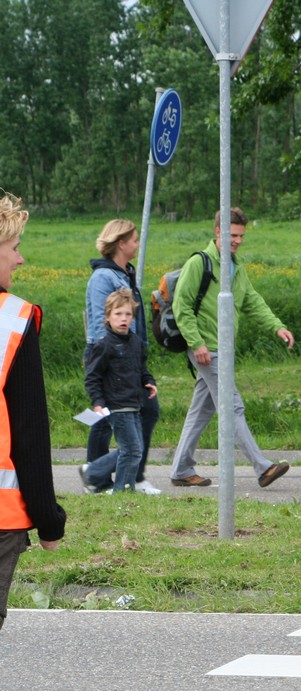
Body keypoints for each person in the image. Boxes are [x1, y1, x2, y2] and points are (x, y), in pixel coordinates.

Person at [168, 207, 294, 488]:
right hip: (207, 349)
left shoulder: (236, 266)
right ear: (218, 232)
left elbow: (252, 301)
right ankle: (263, 467)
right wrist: (196, 343)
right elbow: (181, 306)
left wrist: (277, 326)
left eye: (241, 236)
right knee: (232, 406)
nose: (237, 241)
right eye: (233, 235)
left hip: (222, 349)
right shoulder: (199, 263)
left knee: (200, 411)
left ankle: (181, 470)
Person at [0, 192, 65, 631]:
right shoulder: (13, 319)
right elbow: (30, 431)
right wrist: (48, 519)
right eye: (14, 247)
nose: (20, 259)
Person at [84, 219, 161, 494]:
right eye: (134, 240)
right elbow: (99, 323)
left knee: (141, 412)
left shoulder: (125, 273)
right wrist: (114, 358)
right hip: (111, 355)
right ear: (120, 243)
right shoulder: (103, 278)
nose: (138, 245)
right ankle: (101, 477)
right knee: (108, 416)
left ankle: (103, 475)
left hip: (128, 352)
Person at [81, 288, 157, 493]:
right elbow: (92, 377)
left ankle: (118, 484)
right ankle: (121, 490)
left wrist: (149, 381)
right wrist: (98, 402)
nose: (123, 318)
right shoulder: (104, 345)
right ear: (107, 316)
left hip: (134, 404)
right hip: (117, 406)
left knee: (134, 450)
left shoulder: (135, 342)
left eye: (128, 314)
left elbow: (142, 369)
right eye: (118, 314)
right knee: (131, 449)